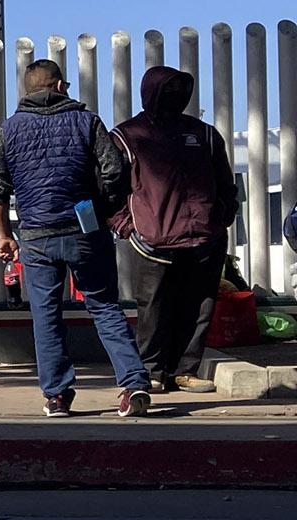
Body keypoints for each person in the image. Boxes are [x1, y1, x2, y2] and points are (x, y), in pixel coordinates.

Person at [0, 59, 152, 418]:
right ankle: (133, 383)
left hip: (35, 236)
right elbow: (114, 172)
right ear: (60, 86)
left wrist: (4, 235)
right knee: (105, 307)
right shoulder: (87, 121)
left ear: (27, 91)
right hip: (85, 230)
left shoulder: (9, 130)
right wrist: (103, 208)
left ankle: (57, 396)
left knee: (46, 316)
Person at [112, 66, 237, 396]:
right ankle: (152, 371)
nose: (174, 97)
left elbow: (227, 183)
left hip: (204, 238)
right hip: (153, 241)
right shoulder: (128, 136)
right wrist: (128, 227)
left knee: (199, 307)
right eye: (167, 90)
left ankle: (185, 370)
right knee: (152, 308)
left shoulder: (204, 134)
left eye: (180, 90)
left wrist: (221, 218)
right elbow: (108, 189)